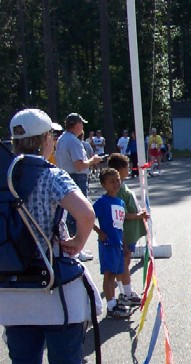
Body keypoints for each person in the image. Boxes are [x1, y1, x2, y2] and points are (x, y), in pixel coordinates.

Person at [1, 108, 120, 364]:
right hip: (52, 286)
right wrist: (77, 244)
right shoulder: (50, 175)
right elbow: (85, 213)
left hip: (10, 291)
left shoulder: (3, 176)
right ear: (45, 141)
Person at [55, 113, 102, 261]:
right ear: (77, 124)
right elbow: (79, 165)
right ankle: (76, 249)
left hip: (65, 175)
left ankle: (73, 247)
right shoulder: (73, 141)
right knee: (78, 213)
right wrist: (93, 160)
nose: (83, 127)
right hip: (76, 177)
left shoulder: (62, 139)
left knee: (69, 214)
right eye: (81, 124)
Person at [106, 154, 149, 307]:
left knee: (124, 263)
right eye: (126, 167)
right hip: (125, 234)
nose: (129, 169)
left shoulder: (121, 186)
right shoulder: (118, 190)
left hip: (129, 233)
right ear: (119, 170)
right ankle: (128, 293)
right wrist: (138, 215)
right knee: (124, 264)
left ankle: (124, 292)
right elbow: (121, 214)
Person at [92, 167, 129, 318]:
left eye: (117, 180)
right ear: (104, 185)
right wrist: (99, 232)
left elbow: (120, 225)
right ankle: (111, 306)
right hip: (107, 244)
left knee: (115, 273)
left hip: (117, 243)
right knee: (109, 275)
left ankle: (115, 301)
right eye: (111, 181)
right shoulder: (102, 202)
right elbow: (88, 217)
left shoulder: (120, 202)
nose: (115, 184)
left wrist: (124, 243)